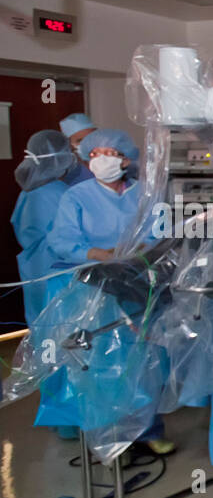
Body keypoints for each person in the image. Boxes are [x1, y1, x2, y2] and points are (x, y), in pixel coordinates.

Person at [44, 128, 174, 454]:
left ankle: (147, 430)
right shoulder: (76, 196)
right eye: (94, 154)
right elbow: (61, 240)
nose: (101, 160)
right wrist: (101, 255)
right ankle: (109, 438)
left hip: (138, 282)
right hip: (95, 287)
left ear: (125, 159)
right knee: (103, 363)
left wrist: (142, 250)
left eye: (109, 153)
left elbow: (162, 230)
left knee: (145, 359)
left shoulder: (145, 193)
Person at [10, 130, 78, 326]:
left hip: (35, 269)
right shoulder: (59, 194)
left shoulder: (28, 193)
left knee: (41, 328)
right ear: (58, 158)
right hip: (58, 272)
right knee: (62, 328)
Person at [59, 113, 96, 186]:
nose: (87, 143)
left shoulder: (110, 161)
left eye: (91, 137)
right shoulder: (67, 172)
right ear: (69, 144)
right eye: (80, 140)